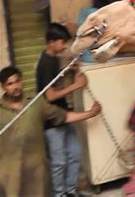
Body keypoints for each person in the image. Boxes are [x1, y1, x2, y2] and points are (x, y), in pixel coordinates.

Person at [0, 66, 101, 196]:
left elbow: (64, 116)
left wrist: (90, 113)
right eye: (10, 84)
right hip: (9, 173)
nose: (16, 86)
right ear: (3, 87)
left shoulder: (35, 102)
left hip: (36, 171)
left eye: (18, 81)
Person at [35, 23, 90, 197]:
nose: (65, 46)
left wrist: (67, 71)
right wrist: (76, 85)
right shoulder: (45, 64)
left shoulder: (53, 58)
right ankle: (59, 194)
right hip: (52, 119)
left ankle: (70, 191)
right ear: (51, 42)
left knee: (74, 153)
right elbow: (50, 96)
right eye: (62, 42)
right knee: (59, 162)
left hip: (64, 113)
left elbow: (53, 82)